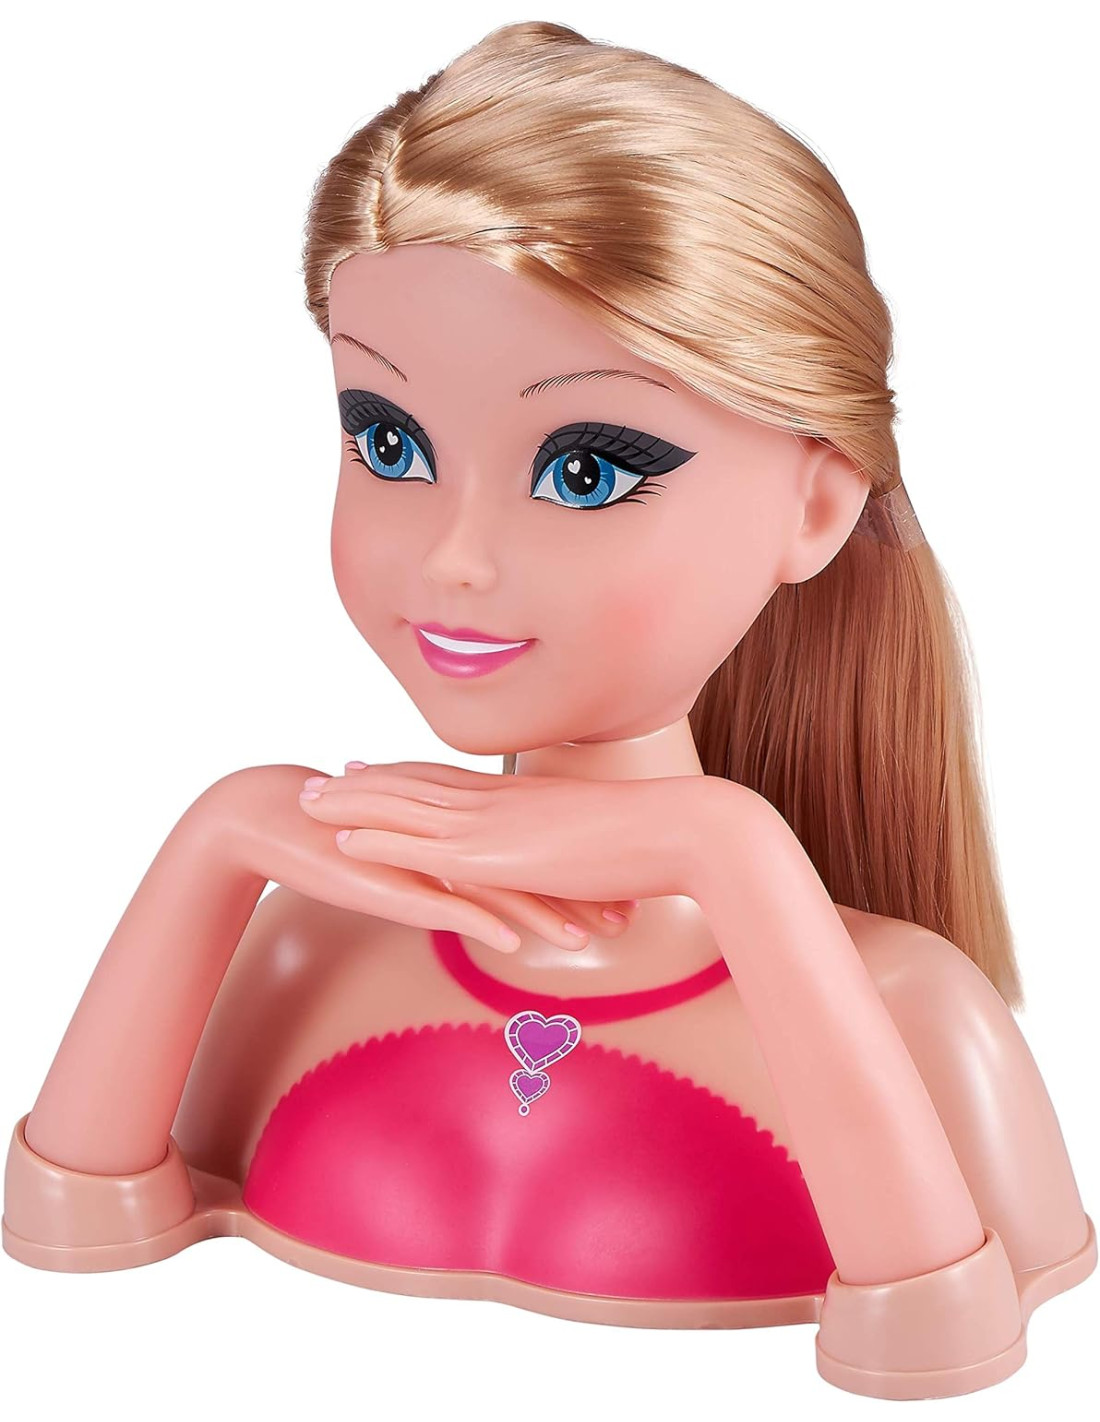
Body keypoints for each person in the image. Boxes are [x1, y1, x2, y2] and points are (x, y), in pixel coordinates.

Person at [3, 20, 1094, 1401]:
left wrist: (733, 855)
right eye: (388, 442)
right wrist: (213, 842)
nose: (455, 558)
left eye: (587, 471)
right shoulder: (312, 943)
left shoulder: (915, 1014)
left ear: (816, 506)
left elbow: (939, 1352)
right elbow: (77, 1258)